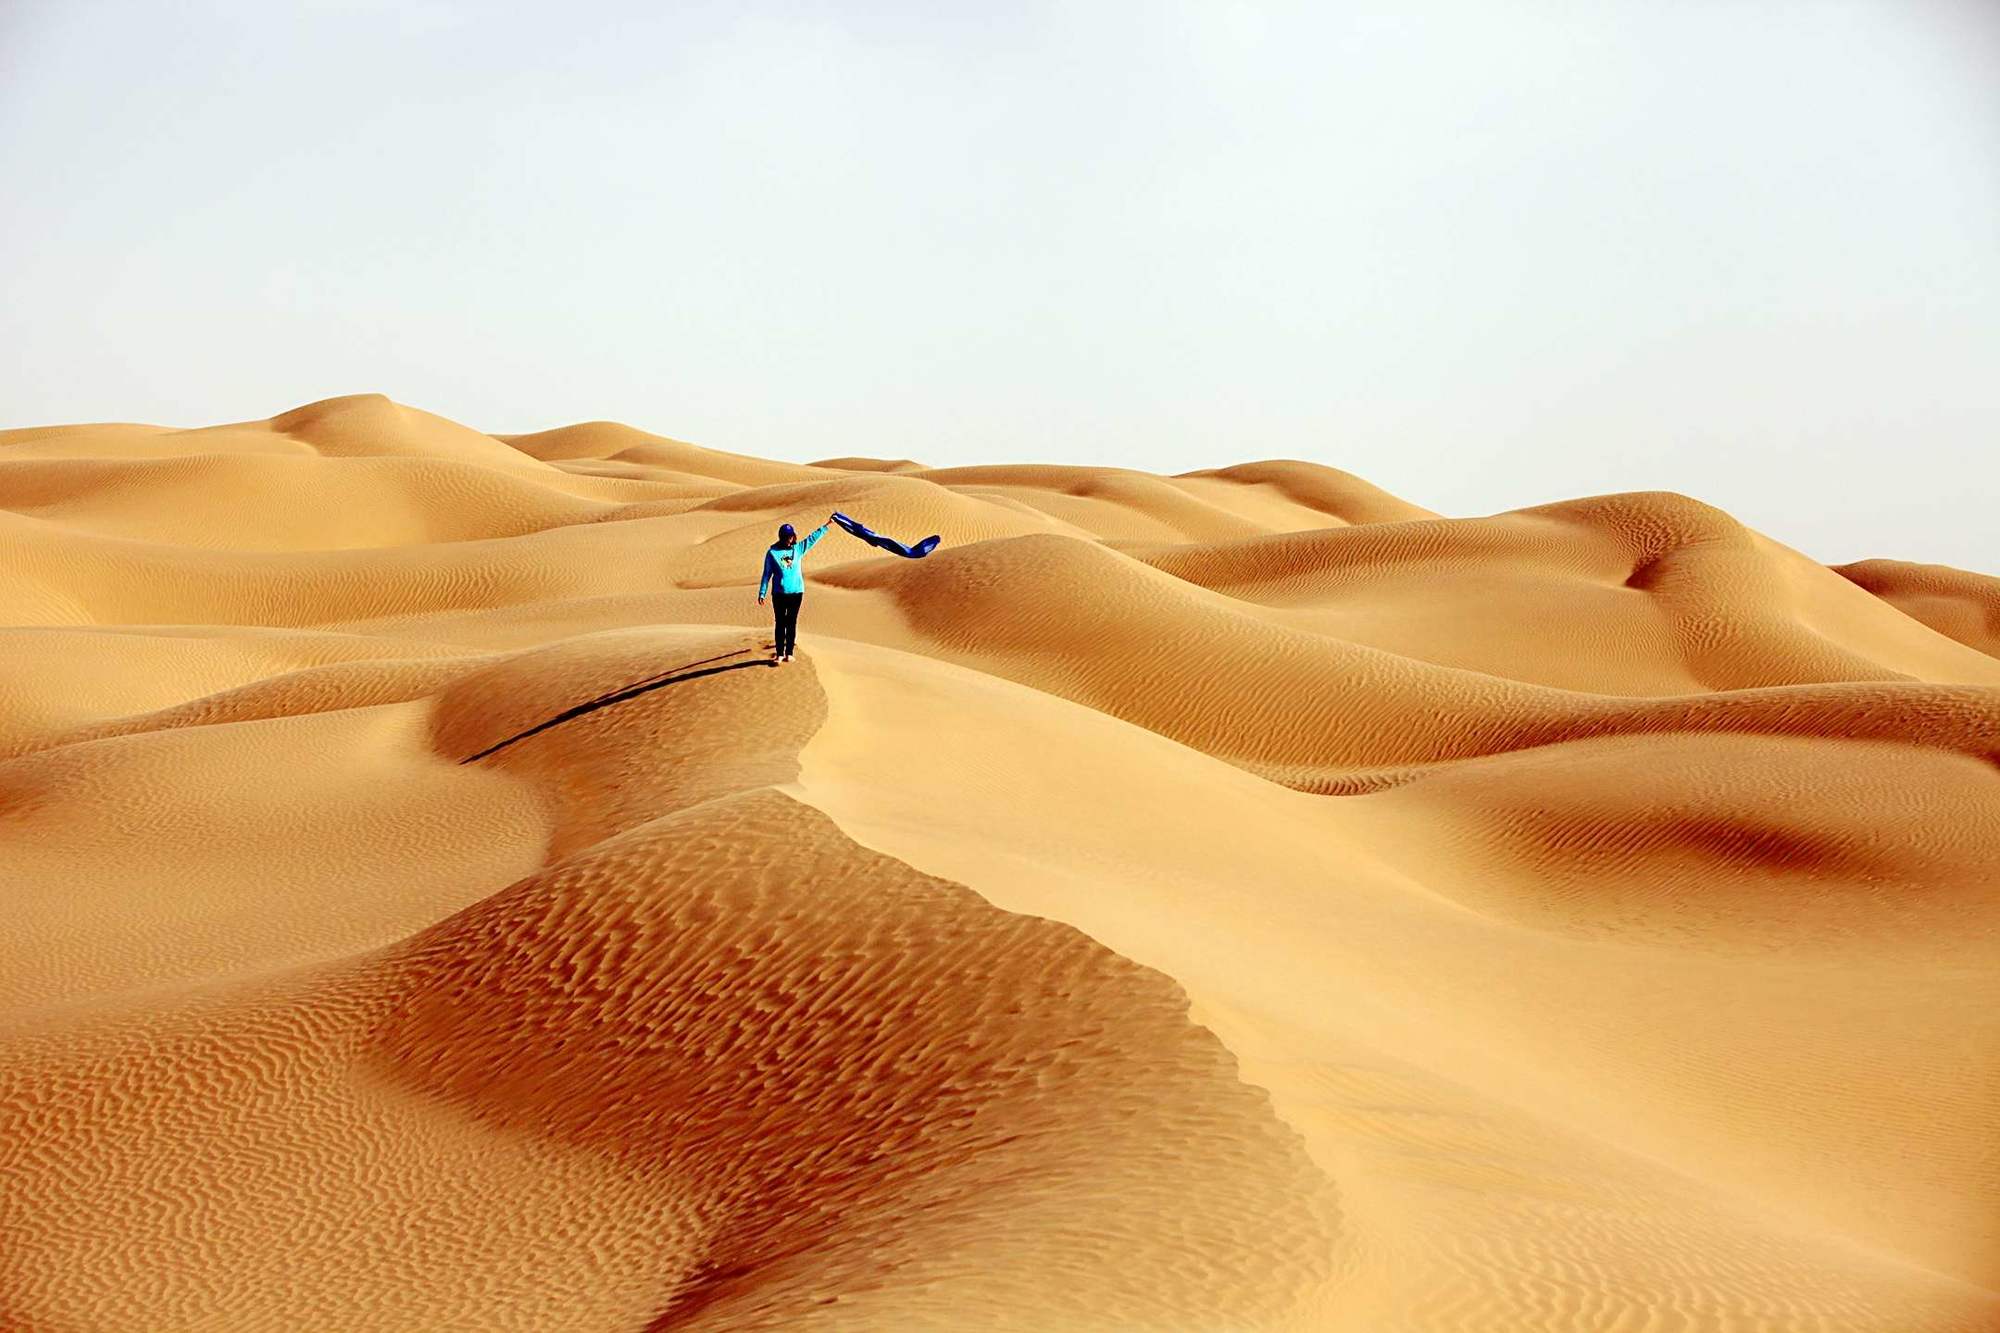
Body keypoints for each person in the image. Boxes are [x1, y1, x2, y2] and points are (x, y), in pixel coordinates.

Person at [757, 516, 832, 663]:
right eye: (786, 537)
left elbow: (812, 539)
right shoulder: (772, 552)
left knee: (791, 622)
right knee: (780, 623)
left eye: (791, 536)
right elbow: (767, 574)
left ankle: (789, 652)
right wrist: (762, 592)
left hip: (796, 592)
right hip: (779, 594)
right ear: (781, 537)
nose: (789, 539)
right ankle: (779, 653)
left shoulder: (798, 549)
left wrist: (827, 525)